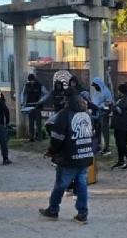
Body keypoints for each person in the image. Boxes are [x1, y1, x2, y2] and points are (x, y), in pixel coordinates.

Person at [39, 90, 94, 224]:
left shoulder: (64, 114)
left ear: (67, 101)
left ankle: (53, 210)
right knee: (82, 185)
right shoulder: (86, 114)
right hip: (85, 155)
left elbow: (57, 137)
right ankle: (82, 213)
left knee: (61, 184)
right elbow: (92, 133)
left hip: (68, 156)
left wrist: (51, 151)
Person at [111, 83, 127, 170]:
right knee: (118, 143)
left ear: (122, 91)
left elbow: (120, 110)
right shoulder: (121, 99)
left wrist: (114, 106)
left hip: (122, 124)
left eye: (119, 90)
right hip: (117, 124)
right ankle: (121, 161)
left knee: (122, 144)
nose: (118, 92)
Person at [90, 77, 114, 155]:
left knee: (105, 131)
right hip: (95, 113)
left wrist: (102, 107)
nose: (95, 87)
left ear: (99, 84)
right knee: (97, 131)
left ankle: (107, 147)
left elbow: (109, 104)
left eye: (96, 86)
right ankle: (97, 146)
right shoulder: (96, 92)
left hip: (103, 114)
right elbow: (94, 101)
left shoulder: (106, 92)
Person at [22, 74, 47, 142]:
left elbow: (46, 93)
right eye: (30, 81)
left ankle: (39, 138)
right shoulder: (26, 85)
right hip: (29, 106)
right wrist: (23, 102)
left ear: (34, 79)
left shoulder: (39, 85)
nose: (31, 82)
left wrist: (41, 100)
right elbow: (23, 94)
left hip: (37, 106)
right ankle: (31, 138)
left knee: (38, 123)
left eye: (32, 80)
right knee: (31, 122)